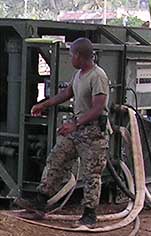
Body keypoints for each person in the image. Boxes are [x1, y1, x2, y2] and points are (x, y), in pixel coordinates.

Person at [15, 37, 110, 227]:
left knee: (92, 174)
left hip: (93, 133)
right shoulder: (80, 74)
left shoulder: (97, 76)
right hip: (77, 130)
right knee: (56, 158)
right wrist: (44, 104)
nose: (70, 58)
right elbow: (67, 94)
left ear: (80, 56)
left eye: (71, 54)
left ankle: (89, 215)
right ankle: (40, 202)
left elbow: (98, 108)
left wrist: (75, 124)